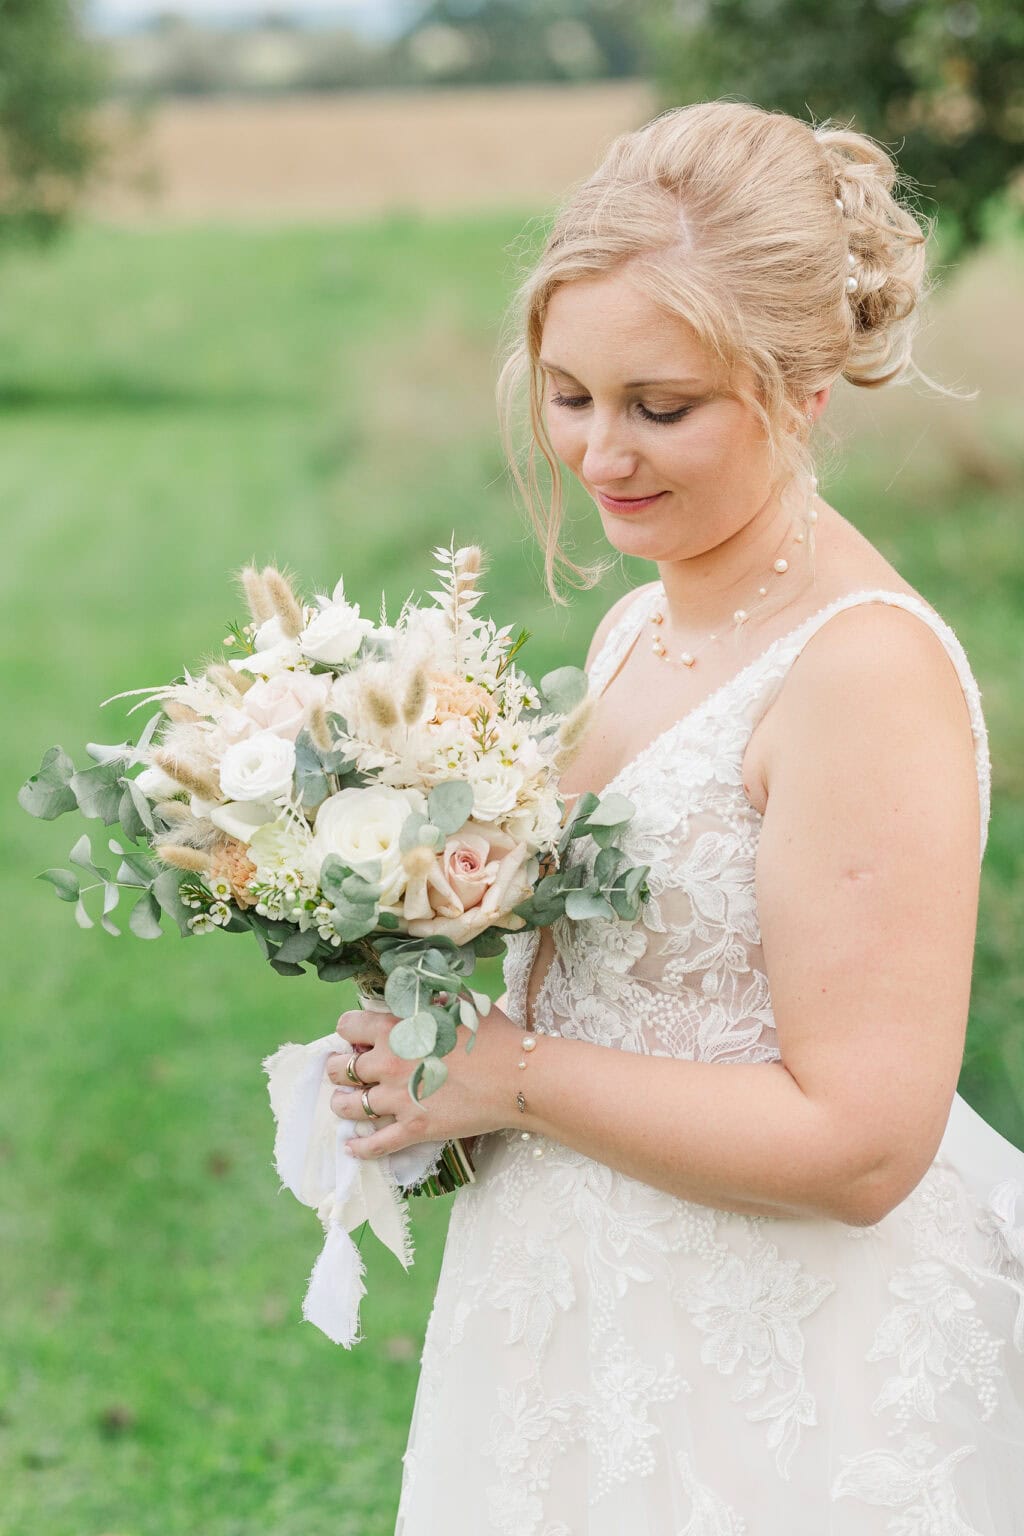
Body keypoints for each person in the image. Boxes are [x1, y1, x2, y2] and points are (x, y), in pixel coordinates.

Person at [325, 101, 1024, 1533]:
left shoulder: (861, 675)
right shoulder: (643, 627)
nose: (600, 453)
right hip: (581, 1325)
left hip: (785, 1377)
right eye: (570, 393)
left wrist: (507, 1075)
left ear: (802, 391)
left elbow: (866, 1144)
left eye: (663, 407)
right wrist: (427, 1043)